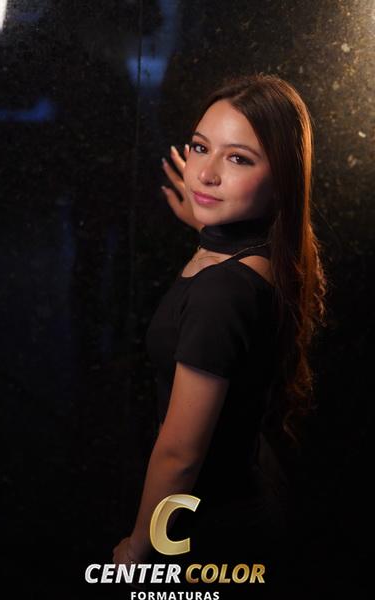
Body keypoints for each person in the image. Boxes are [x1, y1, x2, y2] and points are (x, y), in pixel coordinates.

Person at [112, 73, 327, 586]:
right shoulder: (264, 253)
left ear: (282, 178)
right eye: (199, 147)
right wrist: (205, 223)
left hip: (207, 533)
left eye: (238, 159)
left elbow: (180, 455)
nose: (205, 174)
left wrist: (139, 546)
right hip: (248, 493)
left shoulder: (222, 293)